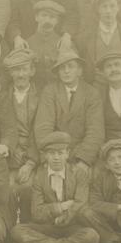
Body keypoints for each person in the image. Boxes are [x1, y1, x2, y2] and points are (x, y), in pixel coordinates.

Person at [10, 132, 100, 243]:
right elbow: (37, 213)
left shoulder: (79, 174)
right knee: (17, 231)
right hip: (47, 228)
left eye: (60, 153)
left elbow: (80, 203)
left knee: (92, 236)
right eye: (52, 153)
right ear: (45, 155)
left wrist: (65, 217)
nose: (56, 158)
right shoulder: (39, 177)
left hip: (71, 227)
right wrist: (61, 207)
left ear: (67, 153)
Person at [33, 47, 105, 176]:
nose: (66, 71)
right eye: (62, 68)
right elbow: (43, 128)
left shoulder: (92, 93)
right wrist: (53, 158)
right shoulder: (50, 91)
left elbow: (95, 131)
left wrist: (84, 160)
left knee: (91, 180)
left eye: (70, 66)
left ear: (80, 71)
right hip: (55, 154)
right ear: (58, 72)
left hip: (82, 154)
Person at [0, 49, 40, 224]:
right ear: (10, 73)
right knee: (6, 191)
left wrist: (30, 164)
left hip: (34, 157)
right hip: (8, 158)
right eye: (16, 70)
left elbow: (41, 132)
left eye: (24, 69)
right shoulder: (1, 96)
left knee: (30, 189)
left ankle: (27, 231)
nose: (20, 74)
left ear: (32, 71)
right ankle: (7, 237)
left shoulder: (42, 96)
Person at [23, 0, 68, 88]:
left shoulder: (64, 43)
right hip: (34, 94)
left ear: (57, 21)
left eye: (52, 17)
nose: (47, 20)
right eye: (44, 15)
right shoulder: (27, 44)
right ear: (36, 17)